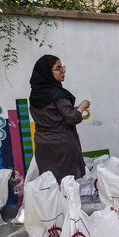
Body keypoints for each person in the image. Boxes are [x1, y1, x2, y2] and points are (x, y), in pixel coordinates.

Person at [29, 55, 90, 183]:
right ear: (47, 72)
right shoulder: (57, 93)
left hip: (43, 144)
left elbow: (50, 113)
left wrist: (69, 109)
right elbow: (73, 118)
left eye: (62, 67)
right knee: (67, 183)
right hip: (61, 145)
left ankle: (54, 204)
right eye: (58, 68)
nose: (63, 71)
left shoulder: (35, 94)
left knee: (50, 182)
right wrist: (82, 107)